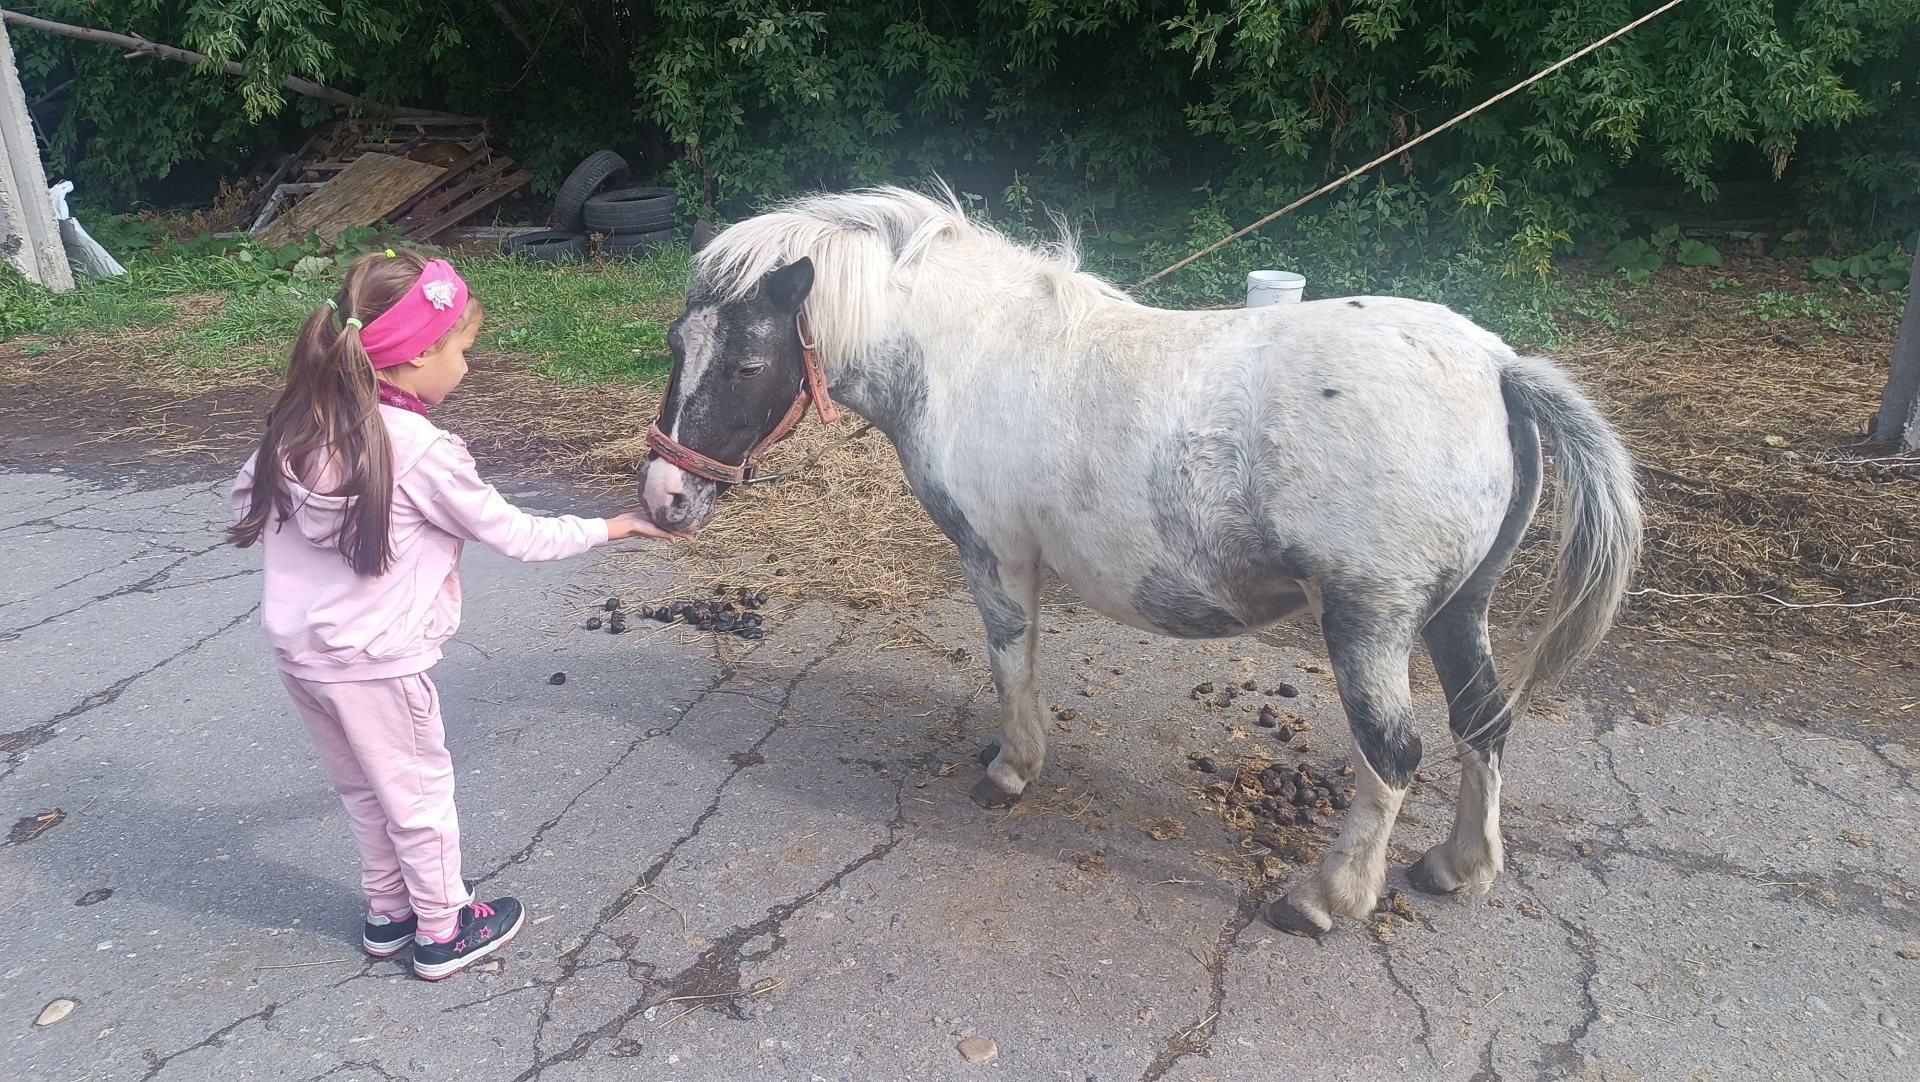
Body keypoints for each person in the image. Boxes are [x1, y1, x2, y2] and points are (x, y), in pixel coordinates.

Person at [229, 249, 680, 980]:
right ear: (413, 357)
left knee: (362, 790)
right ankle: (443, 928)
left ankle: (389, 913)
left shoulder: (299, 424)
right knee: (419, 798)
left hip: (303, 660)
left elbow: (244, 500)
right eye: (462, 350)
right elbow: (517, 535)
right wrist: (613, 527)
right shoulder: (420, 451)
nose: (469, 368)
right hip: (378, 665)